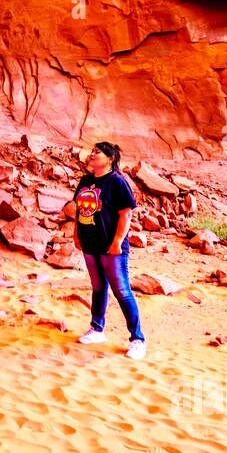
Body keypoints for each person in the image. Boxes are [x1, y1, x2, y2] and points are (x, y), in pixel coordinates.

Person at [71, 141, 146, 360]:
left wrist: (117, 242)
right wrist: (77, 234)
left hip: (110, 245)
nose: (92, 155)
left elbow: (126, 214)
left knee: (121, 290)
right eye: (92, 151)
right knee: (97, 287)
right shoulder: (85, 181)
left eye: (97, 152)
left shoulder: (116, 182)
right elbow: (79, 209)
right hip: (90, 242)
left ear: (110, 158)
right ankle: (97, 329)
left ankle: (137, 339)